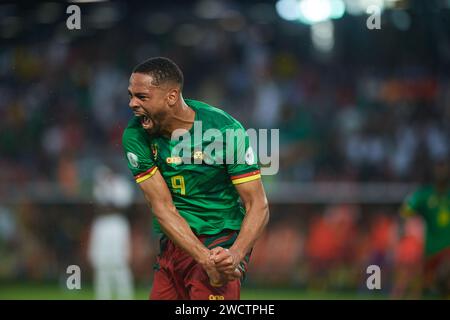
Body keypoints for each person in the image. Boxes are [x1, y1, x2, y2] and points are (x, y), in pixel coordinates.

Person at [122, 57, 269, 300]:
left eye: (142, 97)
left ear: (171, 97)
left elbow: (258, 204)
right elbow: (162, 207)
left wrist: (234, 254)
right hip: (175, 244)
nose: (132, 104)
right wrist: (202, 257)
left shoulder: (224, 130)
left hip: (219, 238)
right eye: (131, 95)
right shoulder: (135, 135)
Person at [397, 159, 450, 298]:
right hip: (430, 251)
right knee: (422, 285)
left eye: (444, 169)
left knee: (445, 272)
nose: (441, 172)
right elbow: (405, 211)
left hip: (447, 250)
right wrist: (403, 230)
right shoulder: (425, 195)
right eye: (439, 169)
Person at [88, 165, 135, 300]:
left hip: (117, 224)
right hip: (102, 224)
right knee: (101, 264)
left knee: (120, 263)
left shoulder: (122, 185)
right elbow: (99, 205)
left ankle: (125, 296)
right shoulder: (99, 183)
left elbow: (121, 206)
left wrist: (109, 196)